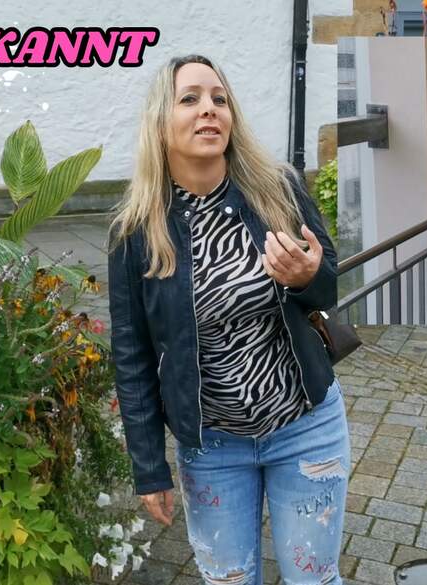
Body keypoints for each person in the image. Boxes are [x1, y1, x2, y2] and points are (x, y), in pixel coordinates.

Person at [107, 54, 350, 585]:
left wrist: (307, 277)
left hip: (305, 426)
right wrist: (149, 467)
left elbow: (331, 286)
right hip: (212, 445)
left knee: (313, 578)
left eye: (219, 98)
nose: (208, 109)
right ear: (160, 122)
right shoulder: (136, 233)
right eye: (189, 99)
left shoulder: (277, 189)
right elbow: (131, 356)